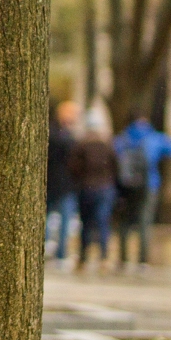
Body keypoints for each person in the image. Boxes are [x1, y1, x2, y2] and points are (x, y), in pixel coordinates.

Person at [112, 115, 171, 271]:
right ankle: (142, 261)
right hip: (149, 186)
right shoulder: (154, 139)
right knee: (144, 223)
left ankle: (123, 259)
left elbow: (112, 160)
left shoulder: (121, 139)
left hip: (126, 187)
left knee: (125, 223)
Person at [68, 108, 118, 271]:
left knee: (86, 223)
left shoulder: (81, 145)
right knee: (103, 222)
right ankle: (104, 257)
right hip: (105, 188)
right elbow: (116, 166)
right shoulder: (107, 145)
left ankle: (83, 257)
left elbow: (73, 167)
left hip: (86, 188)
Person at [46, 101, 79, 266]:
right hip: (65, 184)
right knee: (64, 220)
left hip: (51, 181)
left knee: (48, 217)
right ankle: (60, 254)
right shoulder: (67, 138)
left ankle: (49, 249)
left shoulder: (50, 133)